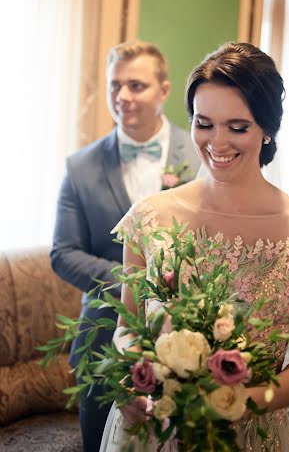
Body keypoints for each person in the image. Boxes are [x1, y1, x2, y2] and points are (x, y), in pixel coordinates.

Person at [99, 42, 289, 452]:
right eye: (204, 123)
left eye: (238, 126)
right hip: (157, 424)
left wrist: (245, 401)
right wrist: (132, 380)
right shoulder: (149, 217)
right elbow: (127, 329)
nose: (217, 142)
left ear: (267, 128)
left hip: (252, 430)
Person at [51, 40, 200, 452]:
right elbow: (62, 253)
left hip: (193, 340)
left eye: (136, 85)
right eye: (114, 86)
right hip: (102, 340)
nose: (122, 97)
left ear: (164, 91)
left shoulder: (203, 155)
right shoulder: (79, 167)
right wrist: (140, 283)